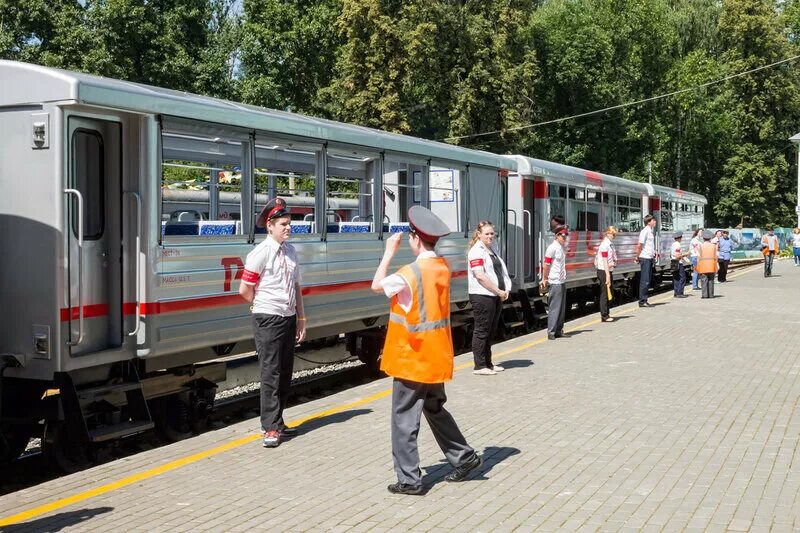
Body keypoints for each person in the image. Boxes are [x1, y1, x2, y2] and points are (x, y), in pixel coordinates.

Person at [371, 205, 482, 496]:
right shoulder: (442, 266)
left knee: (404, 418)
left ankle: (409, 480)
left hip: (412, 358)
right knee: (434, 407)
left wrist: (388, 252)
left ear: (416, 239)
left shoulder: (409, 273)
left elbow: (375, 285)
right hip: (436, 355)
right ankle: (465, 457)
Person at [239, 198, 306, 448]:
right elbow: (244, 289)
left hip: (288, 317)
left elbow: (297, 286)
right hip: (268, 318)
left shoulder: (290, 251)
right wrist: (260, 307)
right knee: (271, 372)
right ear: (270, 226)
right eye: (283, 224)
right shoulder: (260, 252)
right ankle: (270, 427)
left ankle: (278, 421)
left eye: (289, 224)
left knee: (285, 371)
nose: (288, 228)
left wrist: (301, 318)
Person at [467, 221, 512, 376]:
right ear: (479, 235)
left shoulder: (492, 249)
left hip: (494, 294)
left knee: (491, 330)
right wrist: (498, 291)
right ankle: (479, 366)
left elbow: (499, 271)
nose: (490, 236)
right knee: (482, 330)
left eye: (492, 233)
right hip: (482, 295)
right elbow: (480, 276)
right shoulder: (475, 251)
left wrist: (504, 289)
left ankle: (488, 363)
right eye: (487, 233)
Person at [541, 225, 568, 340]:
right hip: (554, 280)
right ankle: (551, 331)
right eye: (563, 235)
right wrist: (545, 278)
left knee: (561, 307)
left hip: (562, 280)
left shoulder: (561, 247)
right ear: (557, 235)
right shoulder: (552, 248)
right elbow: (546, 265)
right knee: (555, 307)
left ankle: (559, 330)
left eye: (566, 235)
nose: (565, 237)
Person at [595, 226, 618, 322]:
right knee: (605, 293)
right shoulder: (605, 245)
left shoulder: (609, 244)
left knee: (609, 293)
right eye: (613, 234)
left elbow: (597, 257)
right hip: (604, 271)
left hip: (607, 270)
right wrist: (607, 275)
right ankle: (604, 315)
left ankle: (607, 313)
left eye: (614, 234)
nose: (614, 236)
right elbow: (604, 261)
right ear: (608, 233)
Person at [635, 214, 657, 307]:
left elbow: (649, 245)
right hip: (645, 258)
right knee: (645, 280)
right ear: (649, 222)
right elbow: (639, 245)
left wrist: (654, 252)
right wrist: (637, 256)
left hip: (649, 257)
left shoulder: (650, 231)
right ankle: (642, 301)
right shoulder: (645, 231)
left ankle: (644, 299)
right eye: (653, 220)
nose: (655, 222)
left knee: (647, 279)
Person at [696, 230, 718, 299]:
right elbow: (716, 256)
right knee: (711, 280)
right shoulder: (714, 246)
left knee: (704, 280)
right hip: (712, 265)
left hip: (703, 265)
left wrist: (697, 266)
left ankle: (705, 295)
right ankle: (711, 295)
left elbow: (698, 256)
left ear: (703, 238)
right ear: (710, 238)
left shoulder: (701, 246)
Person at [670, 232, 690, 298]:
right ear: (679, 238)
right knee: (682, 277)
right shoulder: (678, 245)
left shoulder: (673, 244)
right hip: (678, 262)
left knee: (676, 278)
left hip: (673, 262)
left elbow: (673, 255)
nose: (681, 239)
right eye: (681, 237)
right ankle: (680, 293)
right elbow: (677, 256)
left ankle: (676, 292)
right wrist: (685, 254)